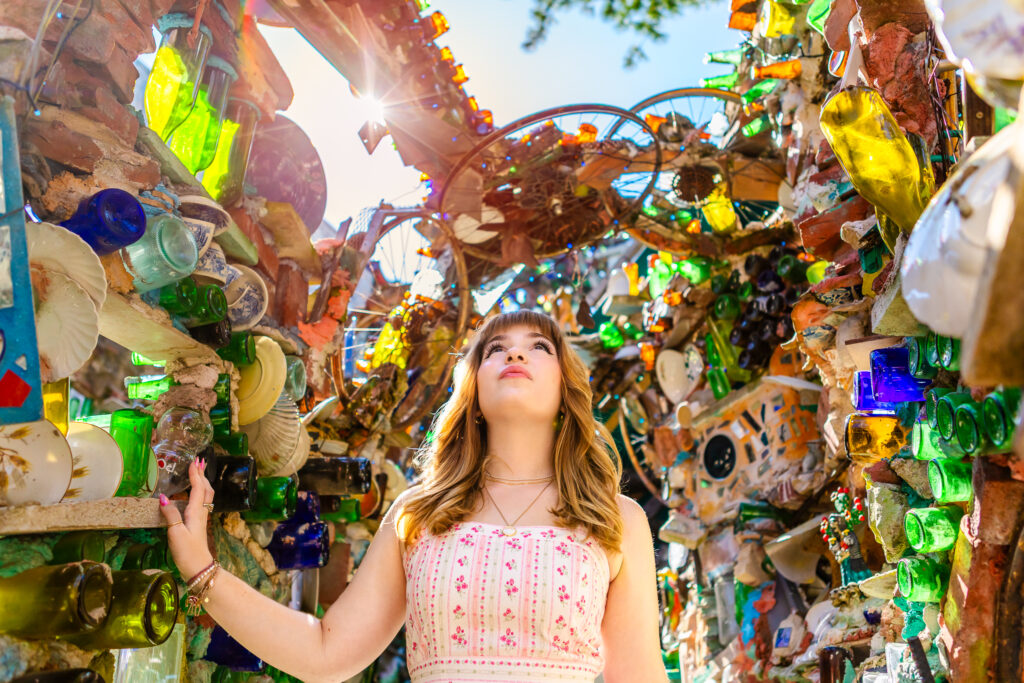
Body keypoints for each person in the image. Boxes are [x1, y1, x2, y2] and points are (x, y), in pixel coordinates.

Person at [161, 310, 669, 683]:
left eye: (539, 346)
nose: (515, 353)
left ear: (565, 389)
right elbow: (325, 653)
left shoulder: (615, 519)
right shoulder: (418, 515)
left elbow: (640, 676)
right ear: (472, 394)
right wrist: (202, 570)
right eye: (495, 349)